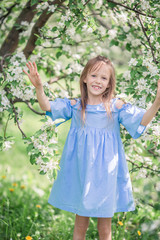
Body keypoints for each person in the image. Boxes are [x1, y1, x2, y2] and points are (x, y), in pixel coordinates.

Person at [23, 55, 160, 240]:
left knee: (105, 229)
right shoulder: (76, 106)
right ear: (85, 78)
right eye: (94, 75)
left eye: (104, 78)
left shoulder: (115, 107)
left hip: (106, 174)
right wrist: (39, 87)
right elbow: (46, 106)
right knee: (80, 224)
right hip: (82, 171)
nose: (98, 81)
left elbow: (141, 120)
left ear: (109, 84)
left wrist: (157, 102)